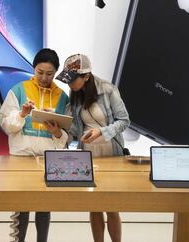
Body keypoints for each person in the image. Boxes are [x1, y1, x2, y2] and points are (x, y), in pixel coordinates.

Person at [57, 54, 130, 242]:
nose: (70, 84)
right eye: (68, 80)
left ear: (86, 76)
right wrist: (58, 123)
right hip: (88, 156)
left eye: (73, 80)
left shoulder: (107, 89)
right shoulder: (75, 96)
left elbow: (124, 121)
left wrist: (102, 132)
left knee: (111, 206)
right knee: (94, 205)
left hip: (111, 153)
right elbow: (74, 130)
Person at [0, 48, 69, 242]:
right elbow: (6, 124)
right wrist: (22, 114)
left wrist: (56, 131)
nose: (44, 78)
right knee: (21, 206)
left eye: (49, 74)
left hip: (48, 160)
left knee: (44, 206)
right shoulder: (19, 90)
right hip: (21, 158)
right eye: (40, 72)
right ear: (33, 68)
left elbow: (66, 135)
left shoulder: (62, 97)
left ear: (55, 72)